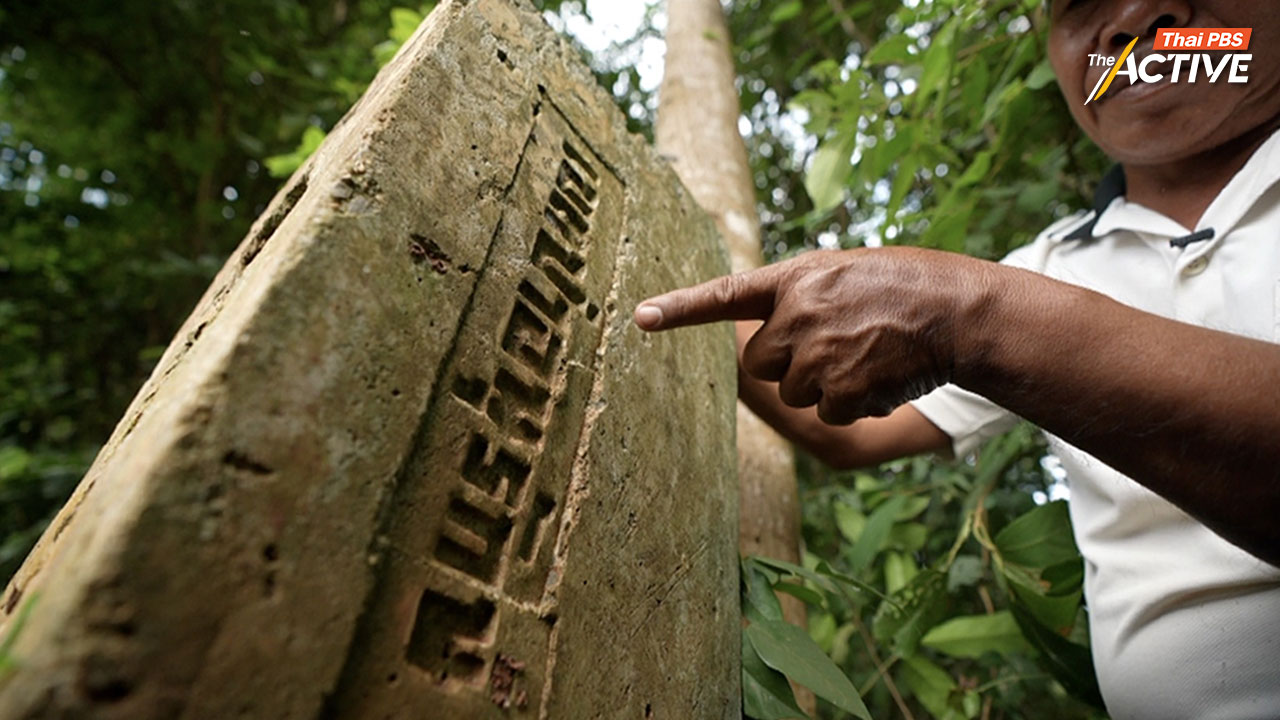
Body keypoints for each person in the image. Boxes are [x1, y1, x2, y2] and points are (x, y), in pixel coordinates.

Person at [634, 1, 1280, 718]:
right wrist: (672, 290)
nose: (1128, 22)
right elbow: (854, 433)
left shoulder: (1009, 300)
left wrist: (974, 319)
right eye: (1077, 6)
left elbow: (978, 319)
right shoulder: (1052, 263)